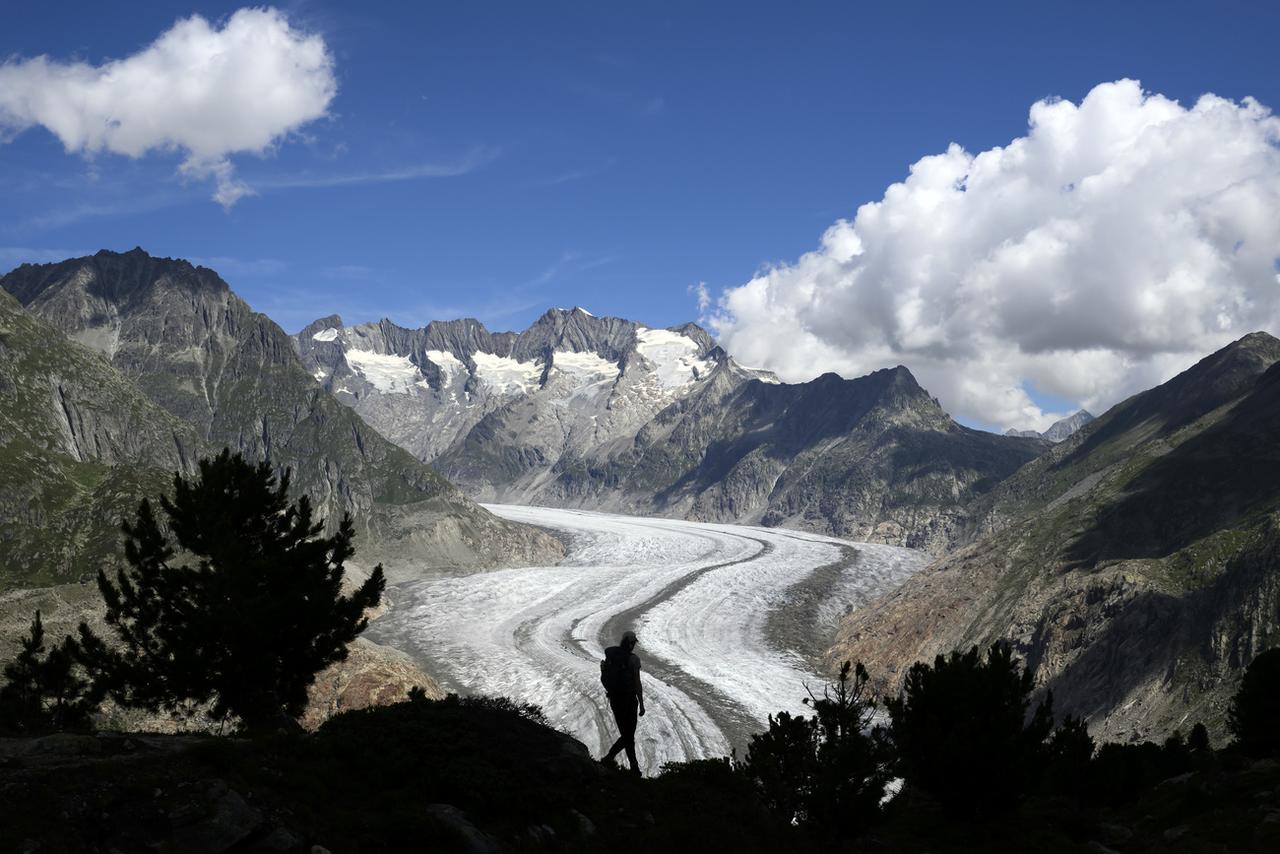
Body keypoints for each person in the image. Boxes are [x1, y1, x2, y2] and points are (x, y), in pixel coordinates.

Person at [600, 630, 645, 774]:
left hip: (615, 699)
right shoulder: (633, 659)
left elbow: (605, 677)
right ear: (630, 642)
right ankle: (621, 762)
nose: (633, 645)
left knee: (627, 734)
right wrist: (642, 704)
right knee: (628, 735)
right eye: (632, 643)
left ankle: (631, 765)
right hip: (629, 700)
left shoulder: (612, 655)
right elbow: (637, 683)